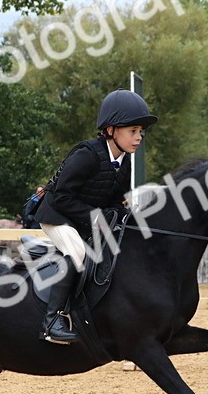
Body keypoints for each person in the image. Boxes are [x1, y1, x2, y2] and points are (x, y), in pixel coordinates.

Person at [33, 89, 156, 344]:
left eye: (140, 131)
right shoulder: (86, 155)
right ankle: (52, 322)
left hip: (82, 218)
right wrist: (96, 216)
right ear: (111, 130)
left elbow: (113, 200)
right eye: (133, 131)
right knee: (77, 253)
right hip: (56, 215)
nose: (139, 137)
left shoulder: (125, 161)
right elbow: (62, 197)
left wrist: (130, 219)